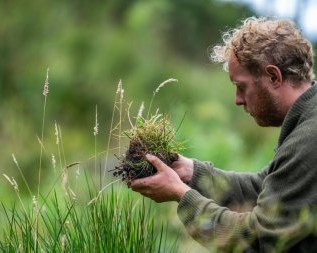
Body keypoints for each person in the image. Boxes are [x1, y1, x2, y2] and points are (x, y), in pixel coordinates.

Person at [130, 16, 317, 253]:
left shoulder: (310, 139)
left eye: (241, 86)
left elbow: (258, 240)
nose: (237, 100)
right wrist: (192, 173)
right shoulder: (308, 121)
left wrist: (181, 194)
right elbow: (265, 187)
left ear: (273, 76)